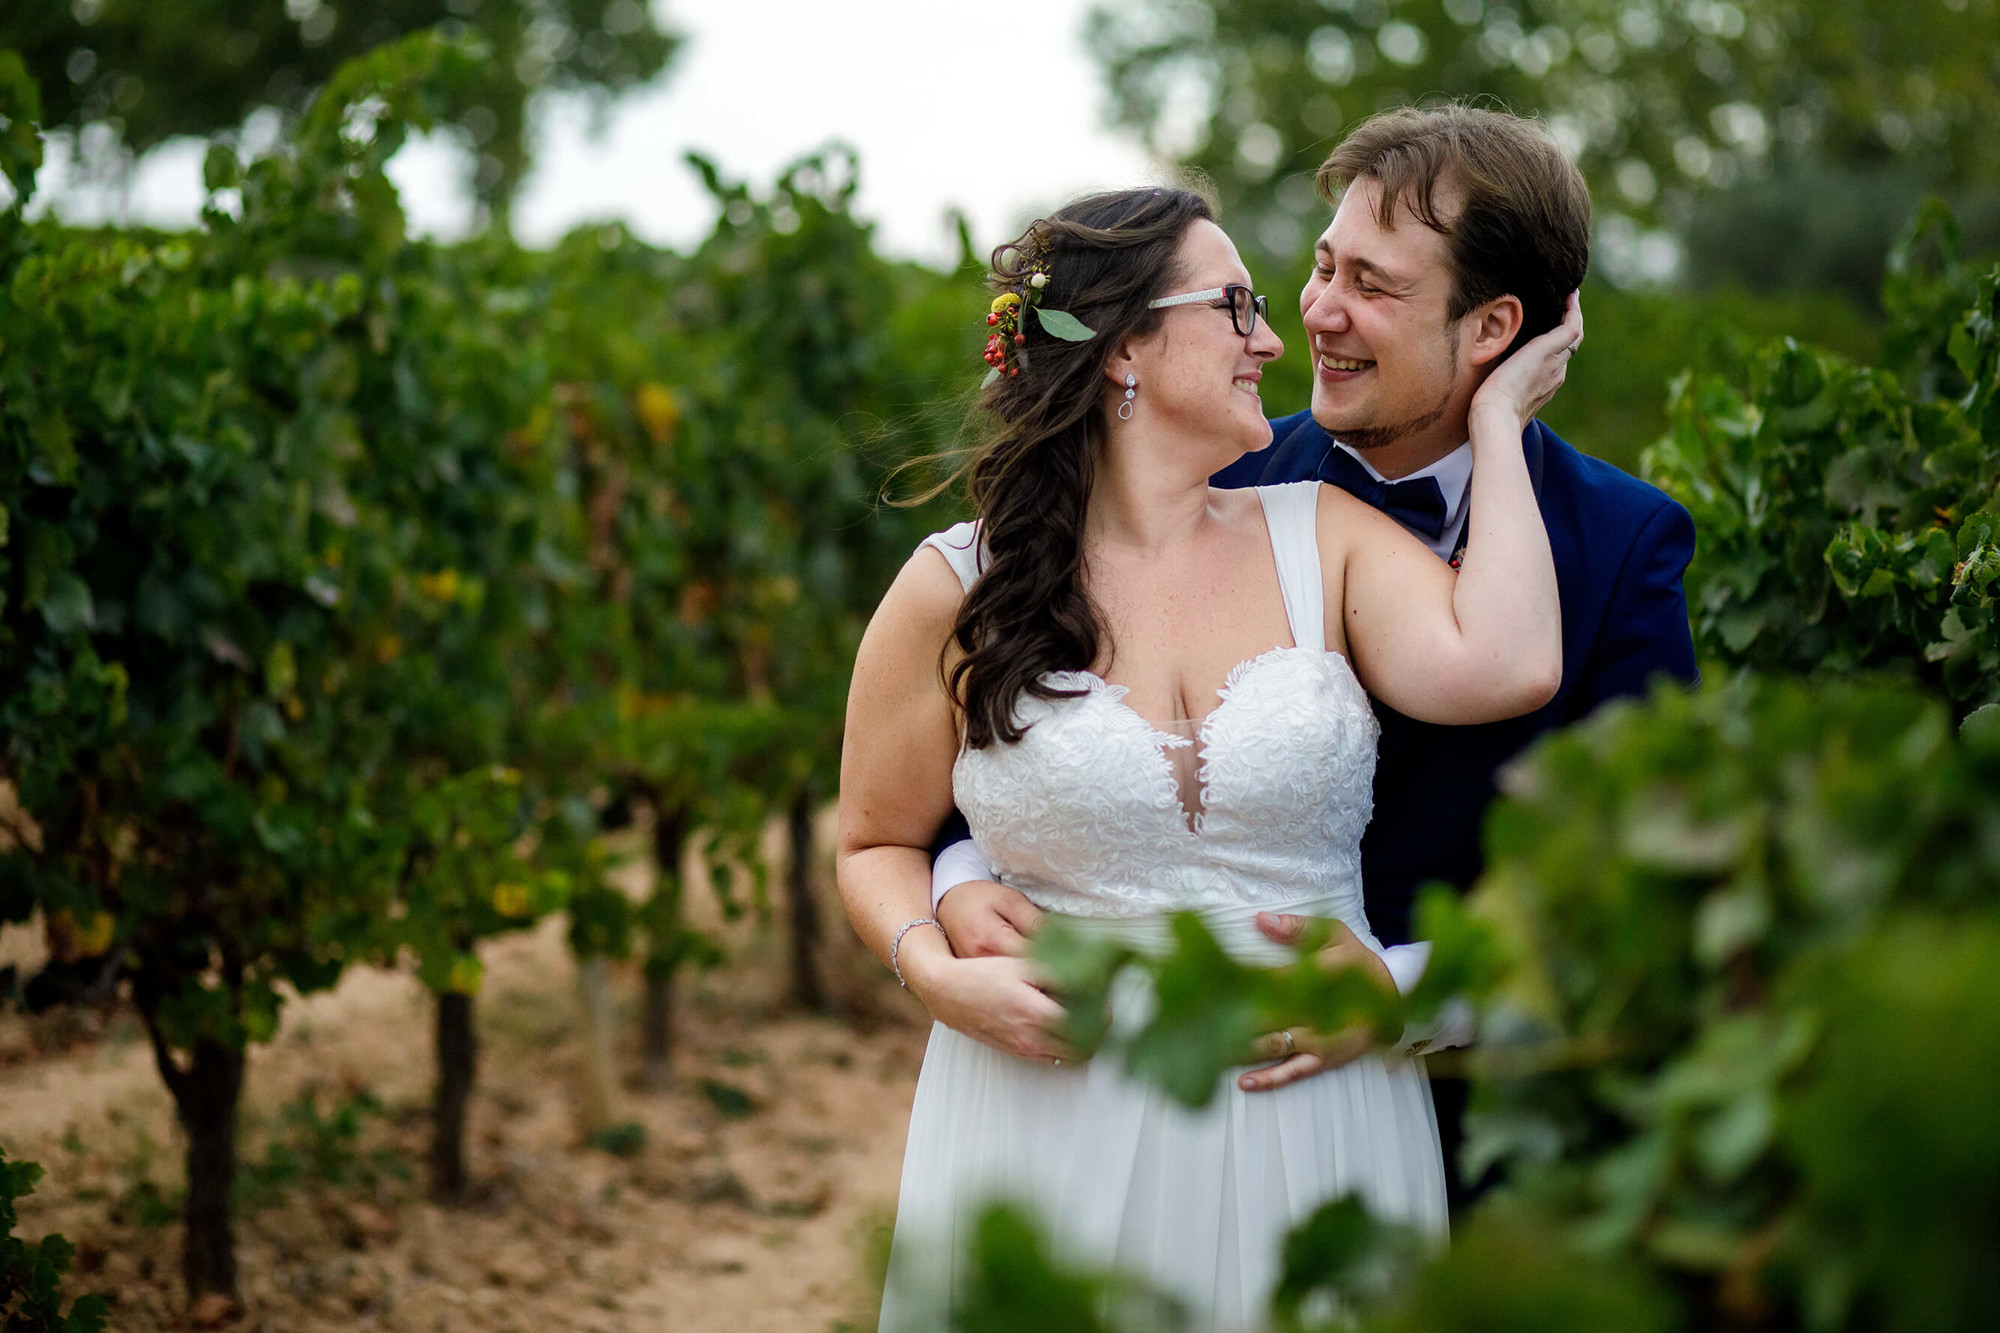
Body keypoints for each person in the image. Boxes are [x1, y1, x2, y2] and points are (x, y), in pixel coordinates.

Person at [835, 176, 1581, 1327]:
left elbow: (1510, 663)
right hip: (1042, 1111)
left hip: (1316, 1118)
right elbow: (875, 837)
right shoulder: (951, 585)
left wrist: (1498, 421)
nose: (1274, 337)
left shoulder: (1321, 537)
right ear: (1125, 346)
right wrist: (932, 971)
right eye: (1236, 308)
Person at [932, 105, 1700, 1215]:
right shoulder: (1217, 472)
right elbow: (1026, 737)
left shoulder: (1621, 544)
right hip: (1130, 1095)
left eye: (1373, 287)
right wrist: (963, 887)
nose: (1314, 317)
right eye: (1320, 265)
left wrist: (1404, 988)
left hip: (1480, 1130)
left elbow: (1647, 872)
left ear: (1492, 330)